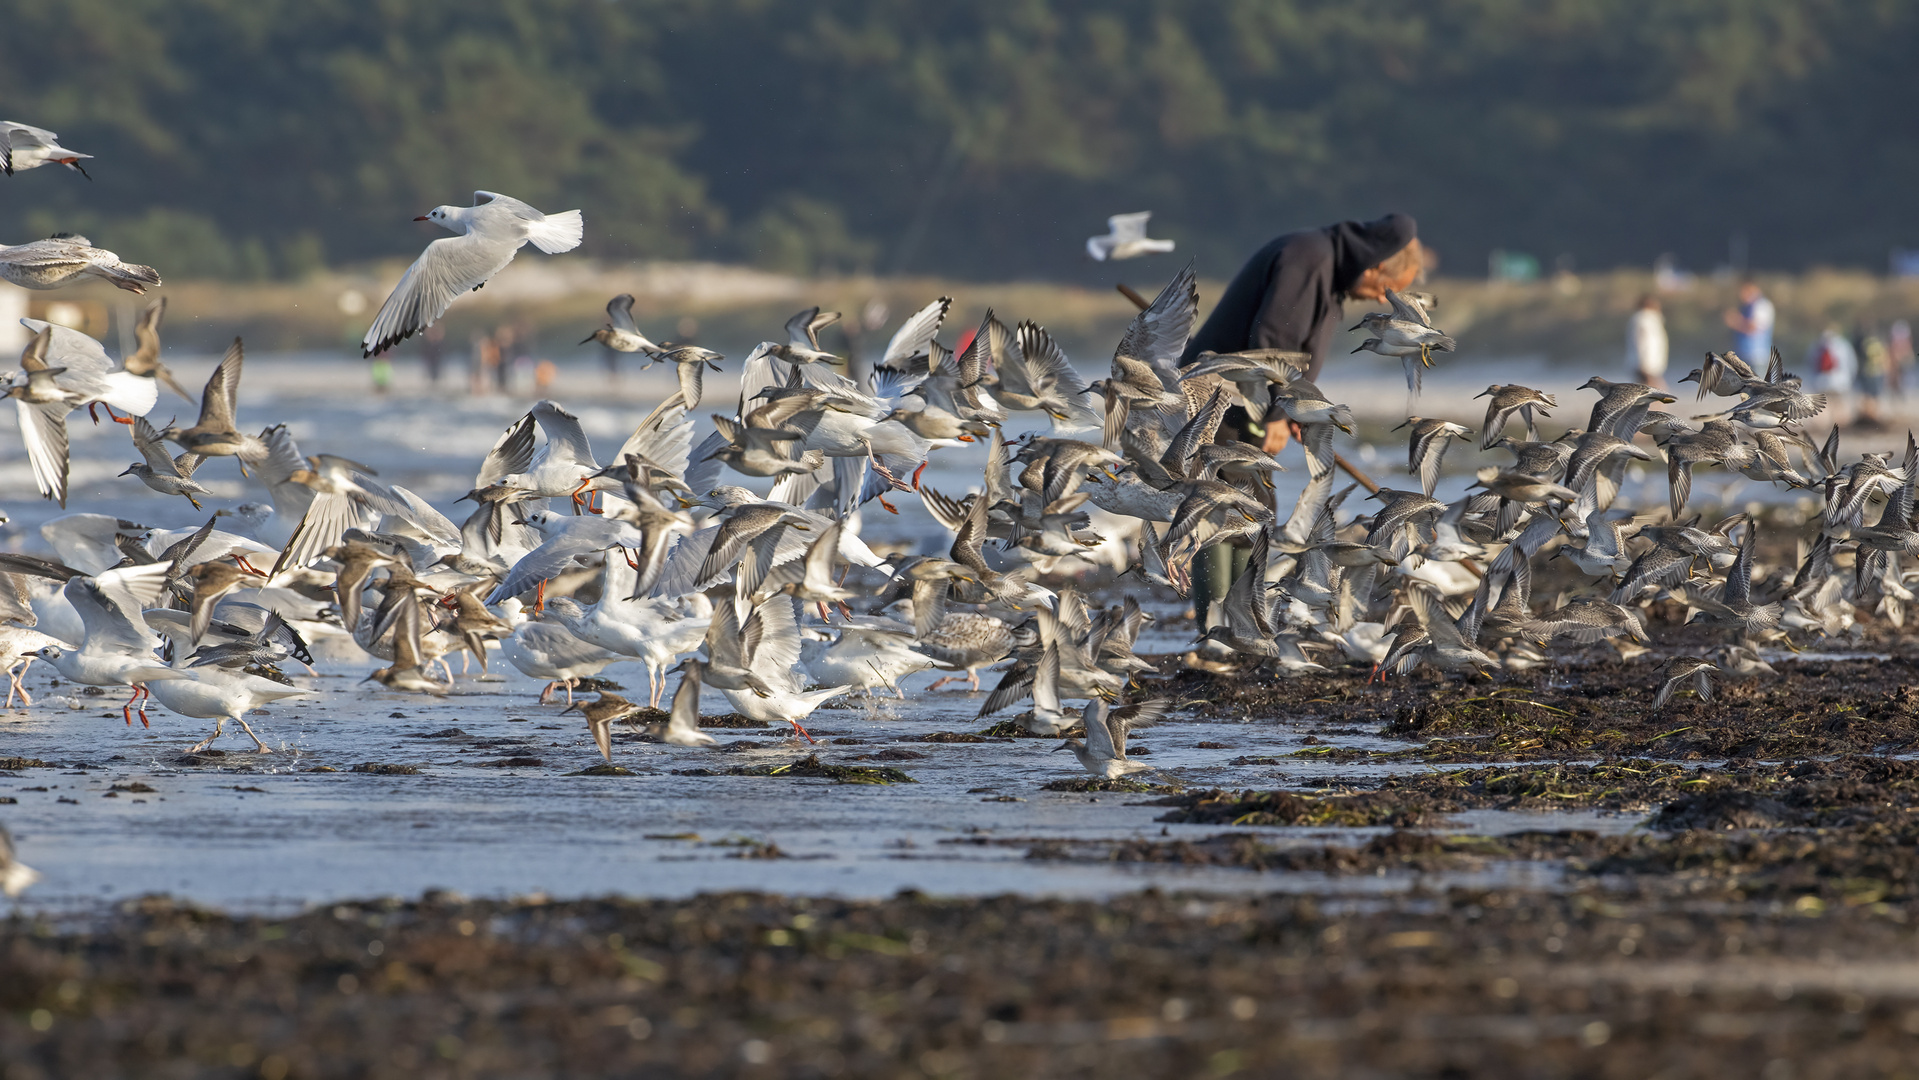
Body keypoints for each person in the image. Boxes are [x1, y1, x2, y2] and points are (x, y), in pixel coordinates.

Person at [1179, 212, 1423, 656]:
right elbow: (1273, 335)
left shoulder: (1326, 271)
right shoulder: (1308, 258)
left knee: (1250, 512)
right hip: (1224, 398)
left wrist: (1298, 408)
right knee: (1221, 508)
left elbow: (1298, 353)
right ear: (1374, 267)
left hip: (1249, 397)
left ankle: (1234, 630)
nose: (1382, 299)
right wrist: (1274, 412)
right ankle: (1216, 636)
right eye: (1384, 289)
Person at [1809, 326, 1858, 427]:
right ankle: (1839, 427)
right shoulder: (1843, 345)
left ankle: (1823, 428)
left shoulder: (1817, 345)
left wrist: (1813, 381)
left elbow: (1810, 363)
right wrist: (1850, 379)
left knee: (1824, 406)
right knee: (1839, 405)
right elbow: (1852, 363)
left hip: (1821, 381)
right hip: (1841, 381)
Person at [1723, 278, 1774, 365]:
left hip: (1756, 359)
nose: (1741, 295)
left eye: (1744, 291)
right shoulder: (1746, 306)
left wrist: (1735, 321)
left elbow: (1753, 329)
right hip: (1742, 357)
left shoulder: (1762, 305)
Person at [1627, 293, 1668, 388]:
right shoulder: (1645, 319)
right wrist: (1644, 363)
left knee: (1643, 391)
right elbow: (1645, 342)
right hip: (1647, 362)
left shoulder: (1643, 319)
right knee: (1656, 390)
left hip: (1643, 361)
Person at [1854, 327, 1890, 427]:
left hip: (1867, 371)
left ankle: (1868, 415)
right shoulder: (1879, 344)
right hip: (1878, 372)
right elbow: (1884, 358)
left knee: (1867, 395)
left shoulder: (1864, 344)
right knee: (1875, 396)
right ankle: (1873, 416)